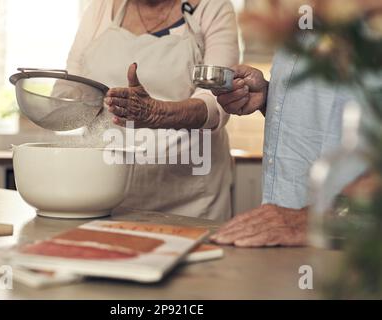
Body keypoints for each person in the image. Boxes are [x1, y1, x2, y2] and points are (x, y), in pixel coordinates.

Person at [57, 0, 240, 220]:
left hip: (189, 198)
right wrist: (59, 100)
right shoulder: (101, 7)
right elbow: (75, 83)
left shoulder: (213, 7)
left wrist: (156, 112)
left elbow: (217, 98)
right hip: (103, 191)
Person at [210, 47, 368, 246]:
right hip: (286, 239)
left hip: (356, 247)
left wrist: (315, 219)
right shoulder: (298, 26)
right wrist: (269, 98)